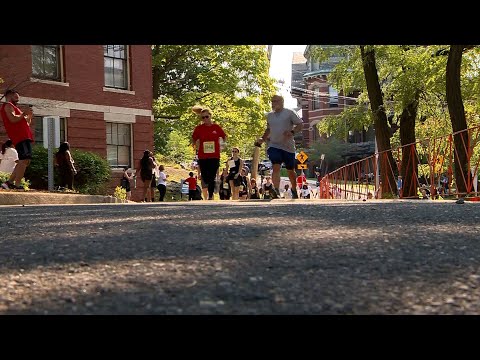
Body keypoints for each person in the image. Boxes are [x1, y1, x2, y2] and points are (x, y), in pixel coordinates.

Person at [256, 95, 303, 199]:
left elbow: (300, 124)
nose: (273, 103)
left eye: (275, 101)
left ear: (282, 101)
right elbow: (268, 129)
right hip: (274, 145)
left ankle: (294, 189)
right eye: (272, 101)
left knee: (290, 171)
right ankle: (276, 190)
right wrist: (262, 139)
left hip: (288, 147)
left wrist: (292, 132)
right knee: (276, 166)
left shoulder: (289, 113)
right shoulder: (270, 116)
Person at [0, 89, 34, 190]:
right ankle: (17, 184)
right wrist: (24, 113)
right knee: (23, 160)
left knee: (25, 161)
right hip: (19, 137)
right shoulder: (7, 105)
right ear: (9, 96)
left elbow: (26, 123)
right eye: (16, 97)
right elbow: (13, 119)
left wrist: (29, 115)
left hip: (25, 136)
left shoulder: (16, 108)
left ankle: (9, 182)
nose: (17, 99)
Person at [192, 105, 226, 200]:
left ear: (210, 116)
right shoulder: (199, 128)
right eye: (203, 117)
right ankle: (210, 191)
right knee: (205, 176)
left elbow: (223, 136)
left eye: (207, 117)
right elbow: (194, 139)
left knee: (212, 176)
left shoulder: (216, 127)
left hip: (214, 155)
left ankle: (211, 195)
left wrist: (222, 145)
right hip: (203, 156)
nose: (205, 119)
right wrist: (196, 145)